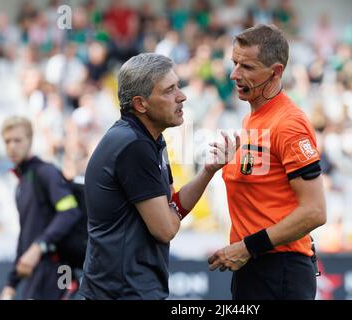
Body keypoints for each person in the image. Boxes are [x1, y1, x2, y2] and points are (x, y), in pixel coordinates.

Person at [79, 53, 237, 300]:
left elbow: (171, 204)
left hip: (128, 289)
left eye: (179, 86)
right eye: (169, 90)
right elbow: (165, 229)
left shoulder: (149, 138)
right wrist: (171, 213)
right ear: (141, 104)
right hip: (121, 292)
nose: (182, 96)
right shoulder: (133, 145)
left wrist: (208, 170)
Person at [208, 24, 327, 300]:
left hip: (279, 270)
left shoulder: (289, 124)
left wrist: (247, 247)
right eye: (234, 63)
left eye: (247, 67)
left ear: (276, 72)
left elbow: (315, 212)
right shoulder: (252, 120)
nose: (234, 74)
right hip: (256, 268)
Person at [0, 116, 83, 300]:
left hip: (62, 269)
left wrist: (38, 246)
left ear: (30, 140)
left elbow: (70, 212)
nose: (12, 146)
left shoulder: (46, 172)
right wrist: (11, 284)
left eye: (18, 140)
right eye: (7, 141)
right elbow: (26, 236)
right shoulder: (21, 184)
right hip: (37, 275)